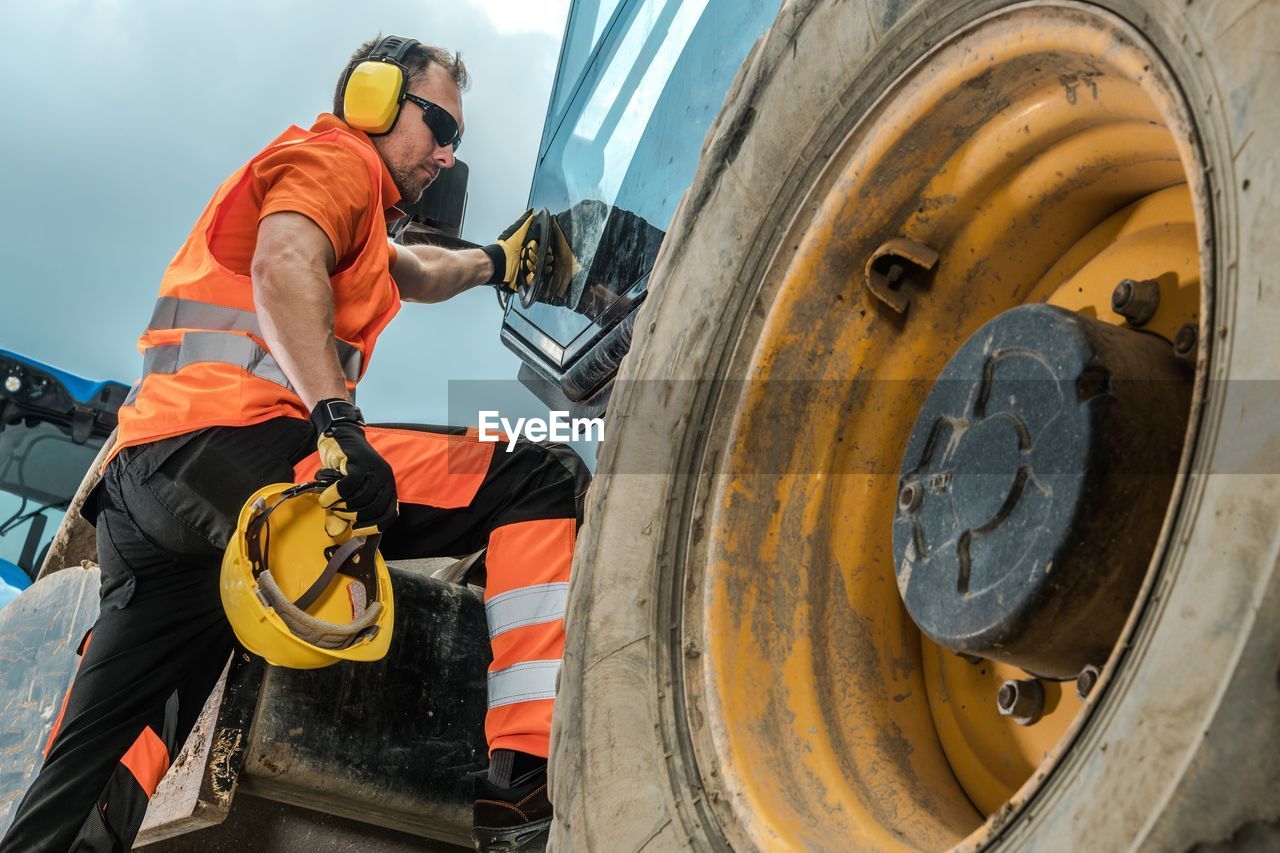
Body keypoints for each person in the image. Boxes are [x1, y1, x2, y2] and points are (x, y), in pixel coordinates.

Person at [0, 35, 586, 853]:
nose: (448, 154)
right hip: (241, 451)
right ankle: (522, 784)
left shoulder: (354, 212)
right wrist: (339, 423)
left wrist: (495, 261)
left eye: (458, 139)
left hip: (150, 483)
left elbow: (415, 271)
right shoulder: (334, 158)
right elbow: (282, 265)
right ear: (374, 99)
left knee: (114, 737)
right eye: (437, 126)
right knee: (535, 479)